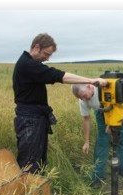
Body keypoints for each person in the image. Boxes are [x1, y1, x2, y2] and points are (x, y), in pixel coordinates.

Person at [12, 33, 107, 174]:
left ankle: (37, 191)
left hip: (35, 119)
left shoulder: (29, 64)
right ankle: (27, 193)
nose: (47, 58)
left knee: (38, 161)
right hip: (29, 121)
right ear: (36, 47)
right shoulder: (28, 65)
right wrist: (91, 80)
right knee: (29, 163)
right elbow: (58, 75)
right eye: (46, 54)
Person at [71, 83, 123, 189]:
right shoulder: (82, 100)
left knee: (122, 141)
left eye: (84, 96)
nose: (84, 99)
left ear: (90, 86)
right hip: (101, 112)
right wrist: (86, 142)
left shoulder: (104, 89)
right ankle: (97, 178)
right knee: (102, 143)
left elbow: (116, 106)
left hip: (120, 111)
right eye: (81, 98)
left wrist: (111, 124)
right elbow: (86, 120)